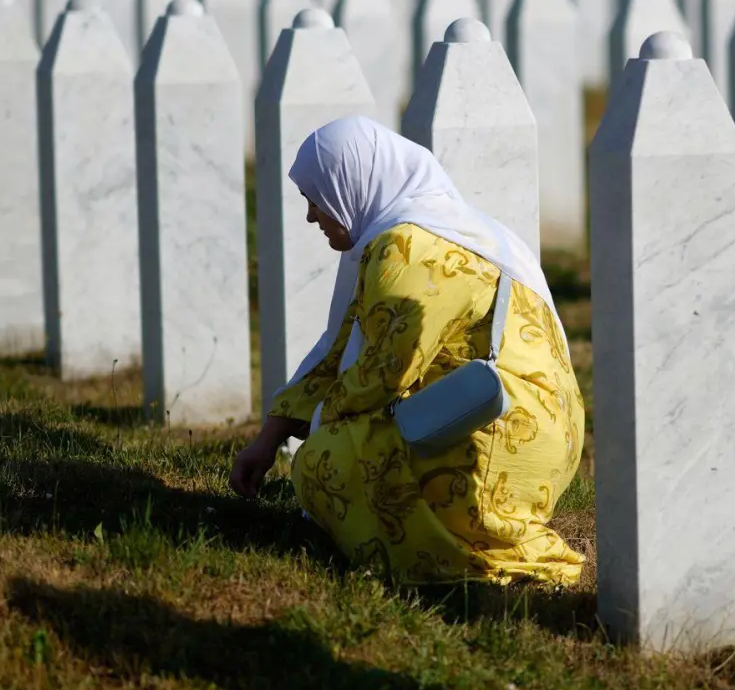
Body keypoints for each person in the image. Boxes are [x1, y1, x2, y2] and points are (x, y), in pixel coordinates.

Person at [229, 118, 586, 587]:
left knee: (322, 462)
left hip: (496, 429)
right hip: (536, 428)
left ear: (352, 186)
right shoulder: (445, 229)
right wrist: (269, 438)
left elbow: (384, 371)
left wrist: (322, 429)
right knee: (342, 444)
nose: (312, 216)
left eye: (317, 199)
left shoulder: (408, 245)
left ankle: (480, 565)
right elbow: (339, 354)